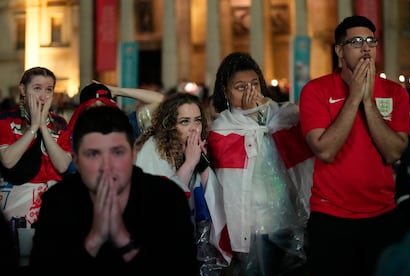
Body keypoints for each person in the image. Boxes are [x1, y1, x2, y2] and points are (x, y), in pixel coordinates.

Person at [299, 15, 410, 276]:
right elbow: (325, 150)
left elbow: (394, 151)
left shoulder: (395, 92)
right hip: (330, 216)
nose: (365, 47)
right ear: (339, 50)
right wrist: (353, 98)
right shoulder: (315, 91)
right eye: (357, 41)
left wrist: (368, 101)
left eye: (371, 41)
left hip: (383, 215)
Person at [29, 105, 198, 274]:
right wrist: (94, 240)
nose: (107, 166)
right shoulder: (58, 202)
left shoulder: (166, 199)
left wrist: (123, 240)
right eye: (93, 154)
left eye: (117, 152)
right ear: (76, 161)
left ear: (133, 155)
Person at [207, 52, 314, 276]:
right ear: (225, 92)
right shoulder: (222, 128)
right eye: (240, 87)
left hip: (287, 220)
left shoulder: (281, 116)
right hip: (250, 225)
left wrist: (263, 114)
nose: (251, 92)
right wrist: (254, 119)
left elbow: (300, 120)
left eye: (254, 84)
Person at [134, 92, 229, 275]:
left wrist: (202, 163)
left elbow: (212, 199)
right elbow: (162, 205)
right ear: (170, 126)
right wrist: (190, 163)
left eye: (197, 120)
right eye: (185, 122)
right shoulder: (152, 150)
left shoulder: (198, 148)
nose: (194, 128)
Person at [0, 66, 72, 226]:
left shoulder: (60, 123)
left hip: (54, 199)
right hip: (17, 199)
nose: (43, 96)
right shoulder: (6, 119)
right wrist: (33, 127)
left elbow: (62, 166)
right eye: (37, 88)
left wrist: (44, 127)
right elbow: (8, 161)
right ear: (23, 90)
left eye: (49, 90)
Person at [63, 81, 164, 173]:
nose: (99, 111)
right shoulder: (72, 138)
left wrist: (117, 91)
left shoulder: (126, 126)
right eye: (93, 107)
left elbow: (162, 101)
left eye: (103, 105)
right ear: (83, 112)